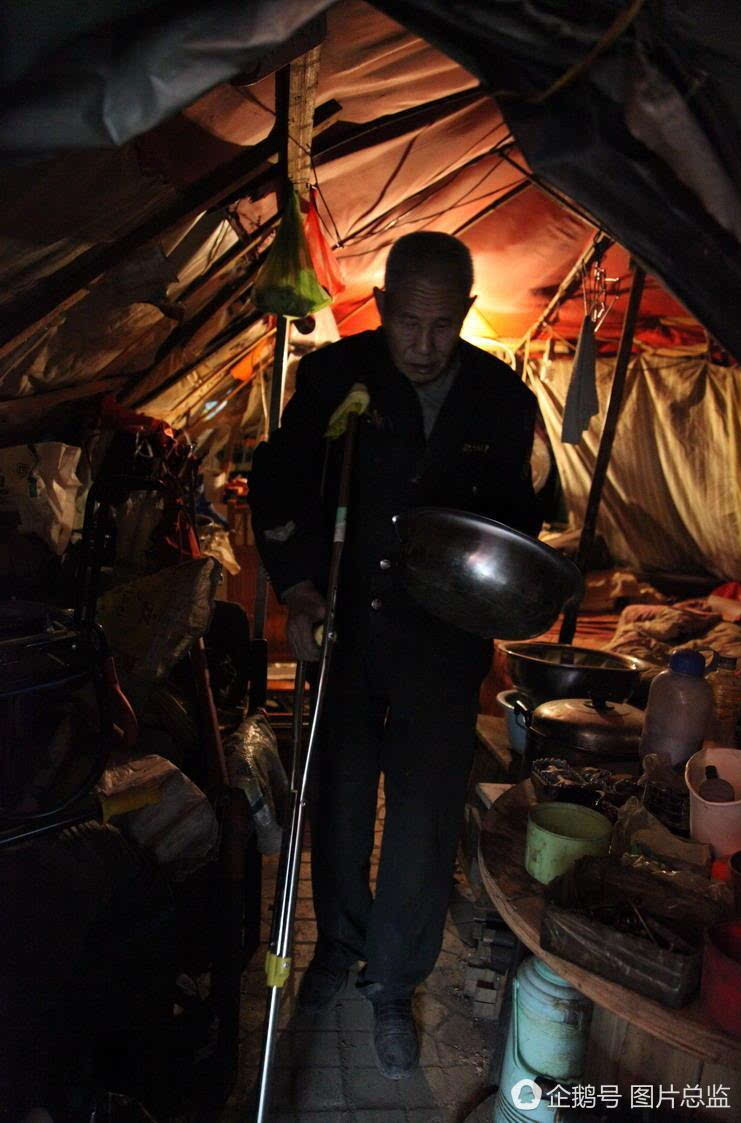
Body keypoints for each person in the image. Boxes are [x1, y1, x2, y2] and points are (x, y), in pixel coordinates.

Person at [249, 231, 540, 1079]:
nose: (422, 343)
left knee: (422, 815)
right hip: (347, 629)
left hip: (443, 643)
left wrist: (510, 592)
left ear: (466, 313)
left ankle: (391, 982)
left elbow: (516, 523)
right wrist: (299, 589)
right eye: (407, 322)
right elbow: (281, 483)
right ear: (380, 307)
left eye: (443, 325)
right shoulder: (333, 377)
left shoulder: (500, 399)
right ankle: (336, 948)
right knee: (340, 798)